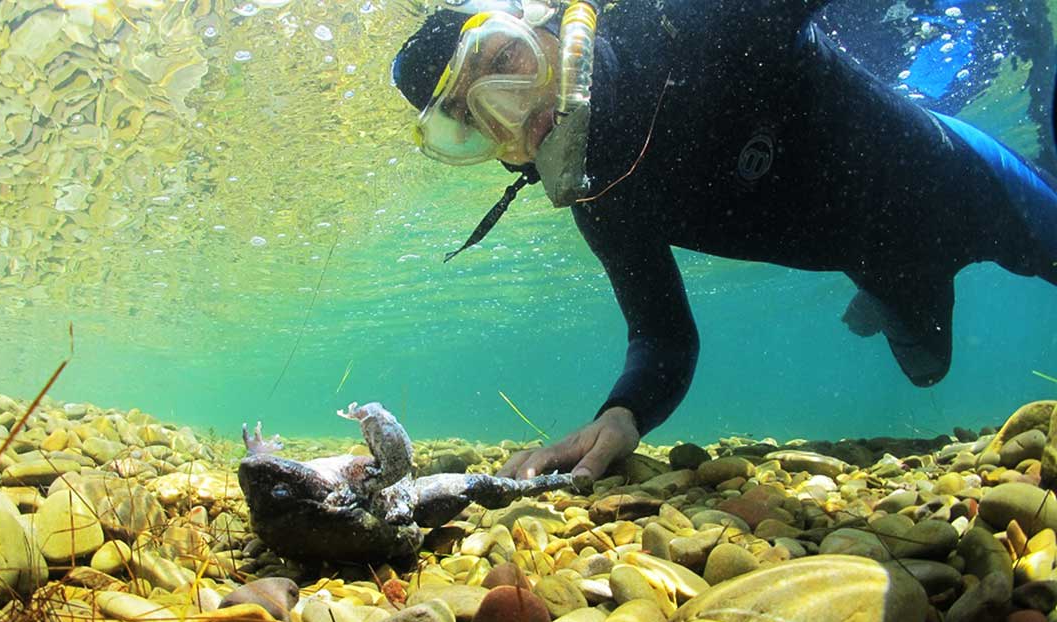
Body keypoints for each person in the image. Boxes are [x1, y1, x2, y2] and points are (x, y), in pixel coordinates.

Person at [390, 0, 1057, 481]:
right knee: (928, 369)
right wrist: (624, 414)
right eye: (475, 119)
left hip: (968, 188)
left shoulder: (687, 23)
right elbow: (663, 337)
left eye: (507, 61)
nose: (518, 111)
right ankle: (879, 299)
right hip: (885, 264)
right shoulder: (603, 197)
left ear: (543, 21)